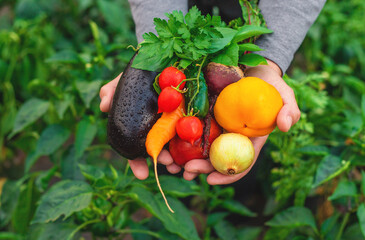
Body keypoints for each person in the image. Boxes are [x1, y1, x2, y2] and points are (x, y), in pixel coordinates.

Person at [99, 0, 326, 185]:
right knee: (169, 161)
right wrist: (158, 49)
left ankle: (244, 196)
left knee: (249, 156)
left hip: (256, 11)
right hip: (177, 19)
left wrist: (268, 62)